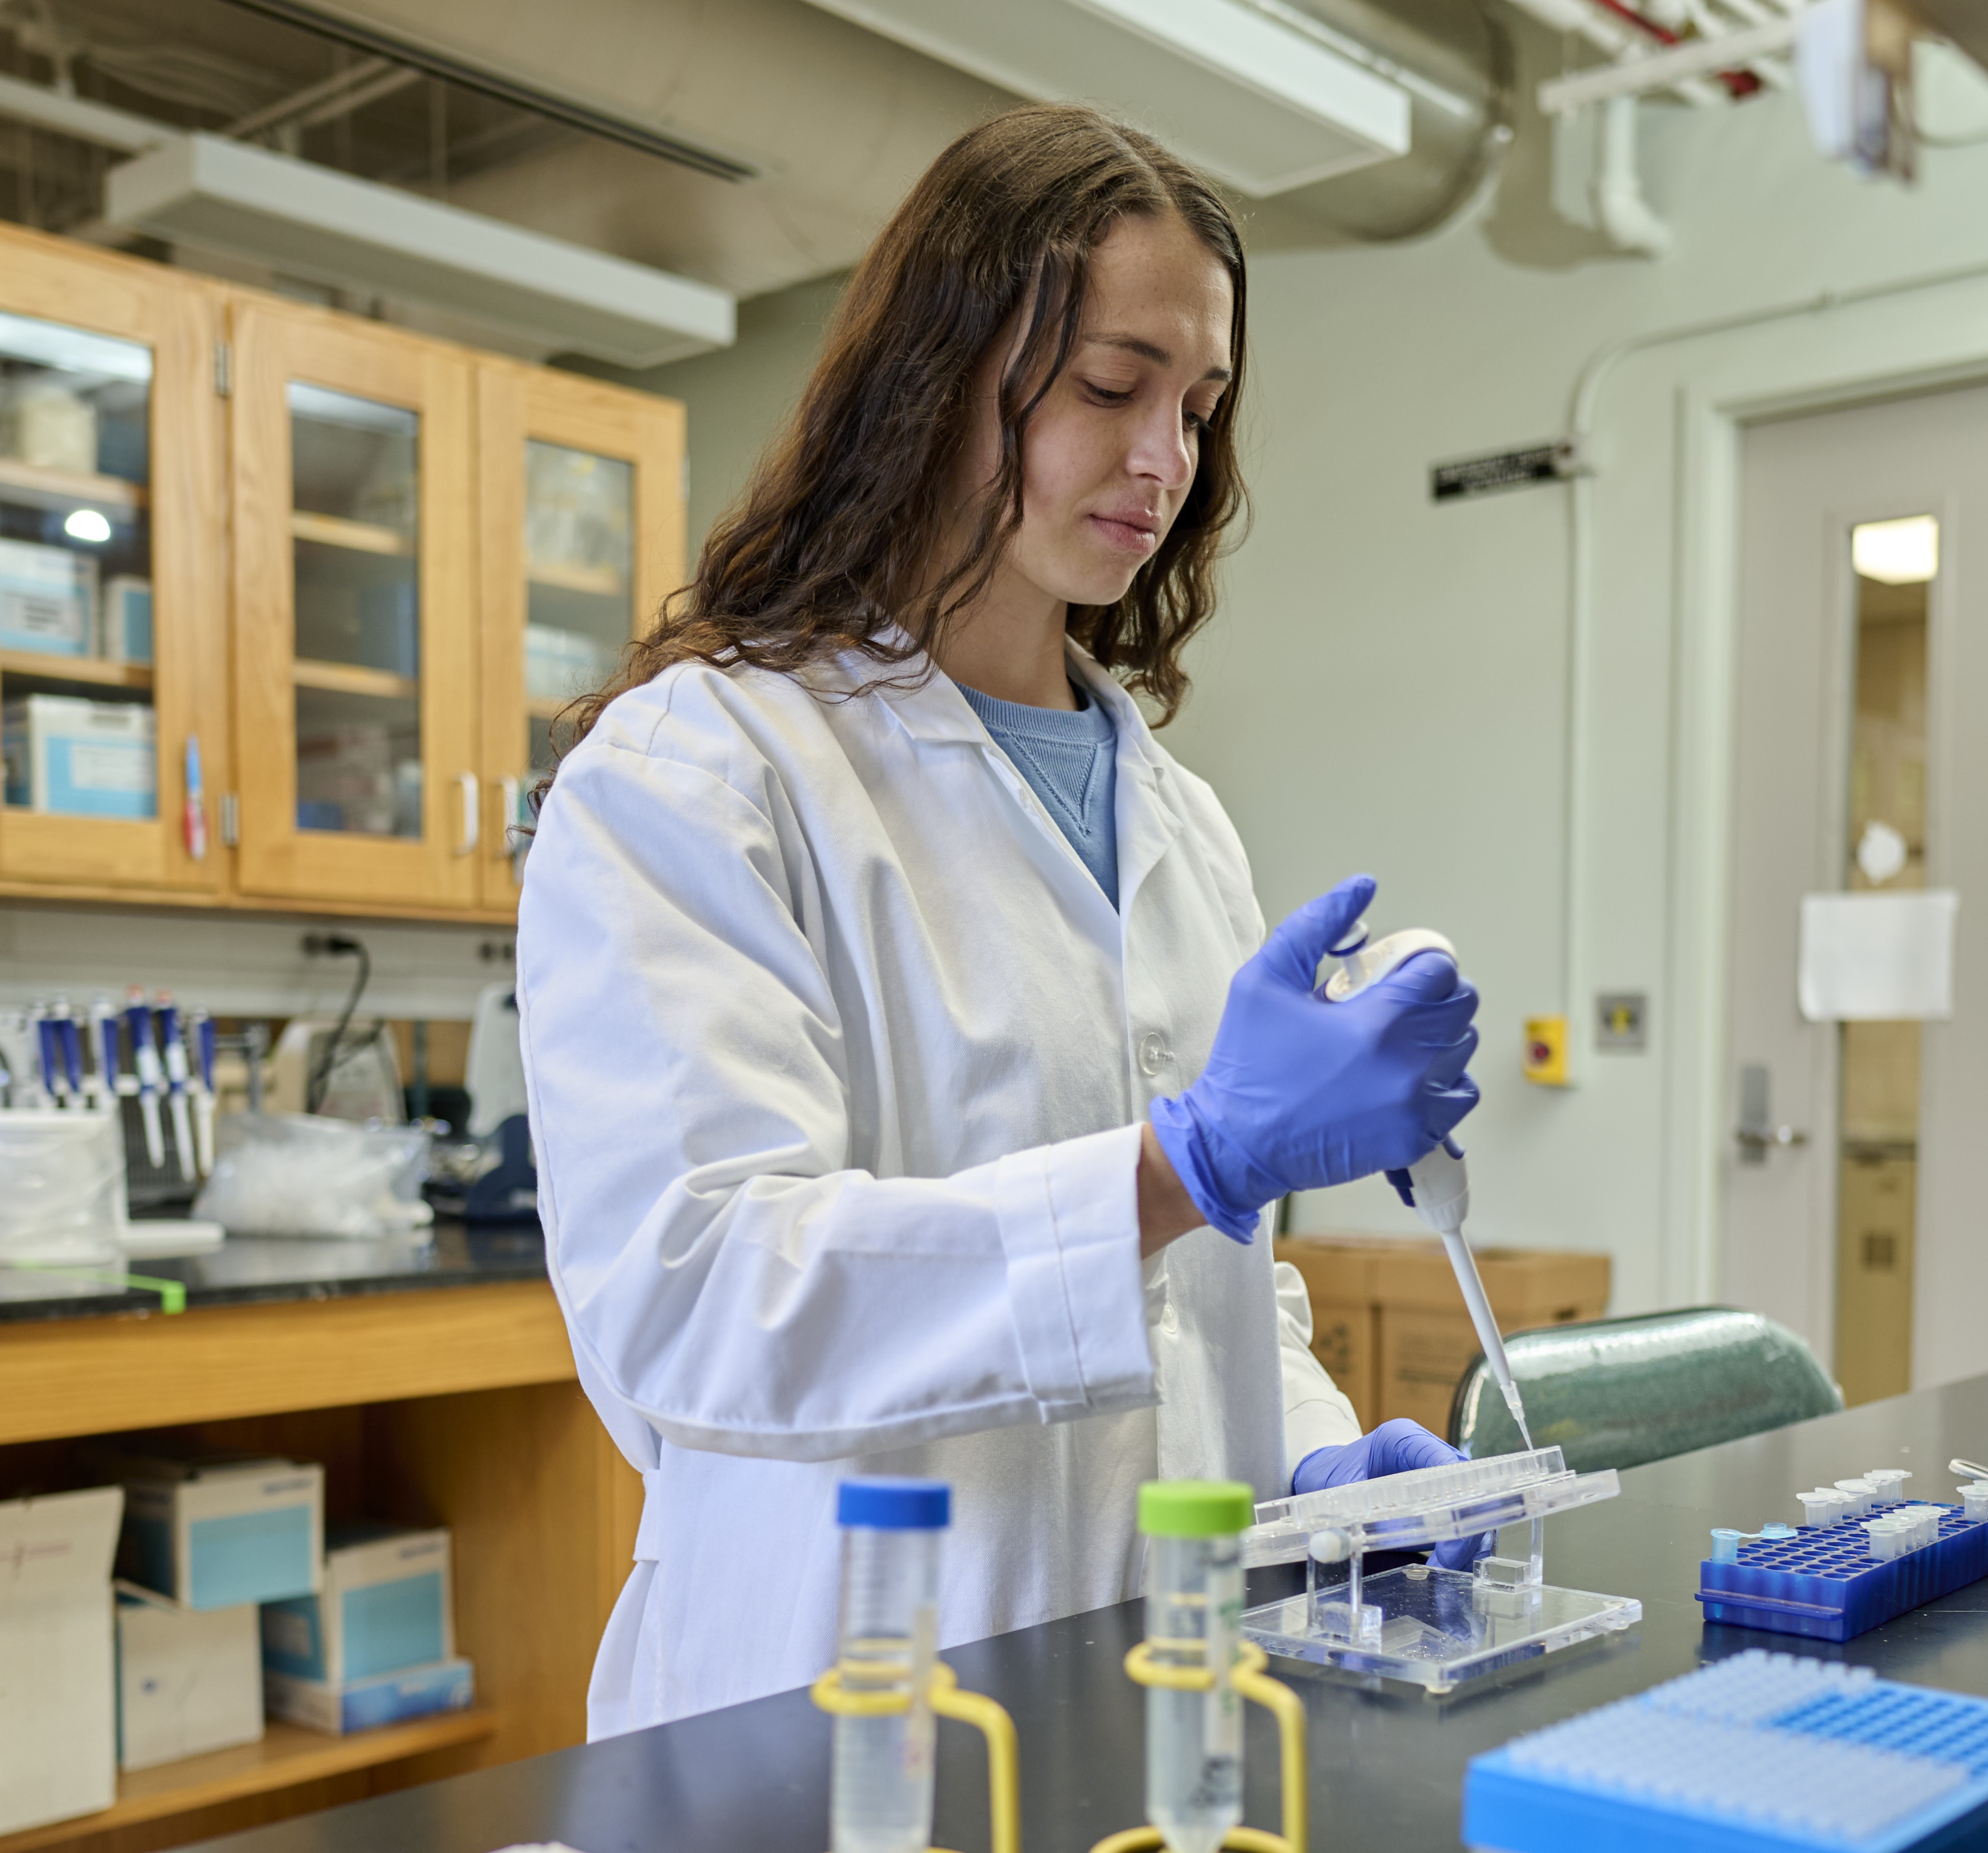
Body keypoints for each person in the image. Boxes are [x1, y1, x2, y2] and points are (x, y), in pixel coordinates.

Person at [521, 103, 1483, 1737]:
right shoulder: (706, 770)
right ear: (936, 378)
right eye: (1111, 387)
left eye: (1200, 404)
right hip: (827, 1715)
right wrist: (1186, 1165)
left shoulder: (1175, 813)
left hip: (1157, 1697)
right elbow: (698, 1297)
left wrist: (1312, 1449)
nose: (1166, 458)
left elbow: (1206, 1290)